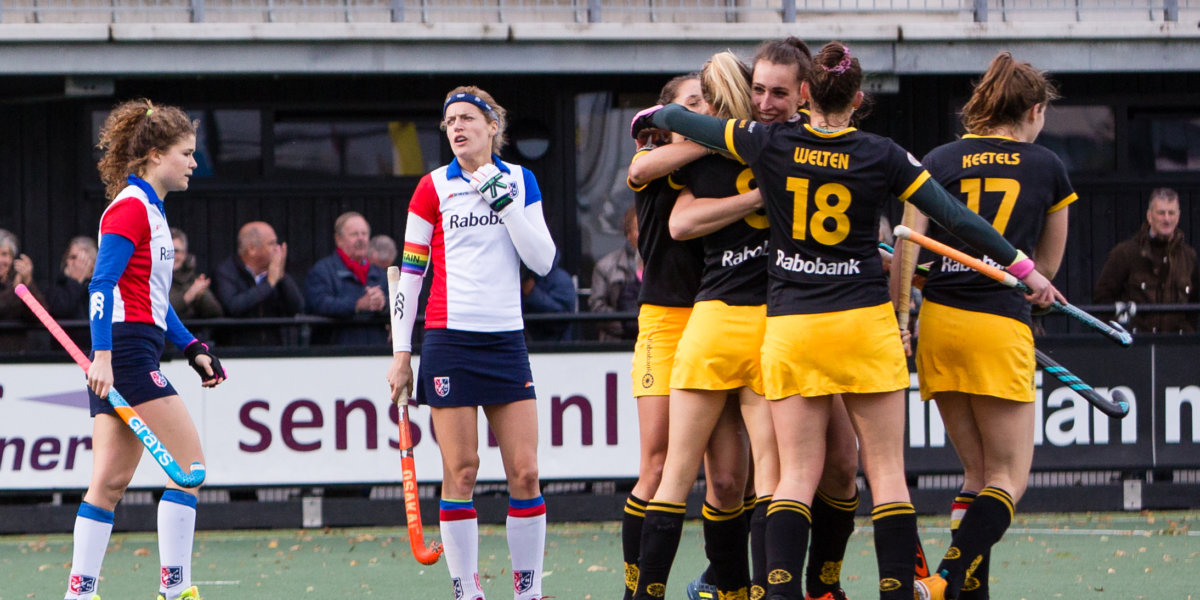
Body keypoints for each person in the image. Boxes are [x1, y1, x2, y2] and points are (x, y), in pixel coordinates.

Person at [633, 41, 1062, 600]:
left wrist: (663, 115)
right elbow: (955, 217)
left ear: (804, 94)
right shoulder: (885, 153)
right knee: (885, 473)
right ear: (858, 99)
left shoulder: (766, 140)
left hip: (792, 327)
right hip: (864, 325)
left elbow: (674, 120)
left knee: (792, 475)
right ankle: (895, 592)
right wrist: (1024, 269)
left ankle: (778, 593)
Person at [898, 53, 1076, 600]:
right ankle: (944, 581)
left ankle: (967, 595)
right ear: (1034, 110)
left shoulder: (939, 159)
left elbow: (909, 252)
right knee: (1008, 479)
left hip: (941, 325)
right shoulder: (1047, 166)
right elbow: (1045, 270)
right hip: (998, 326)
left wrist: (903, 312)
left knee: (976, 476)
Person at [386, 86, 557, 600]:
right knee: (461, 472)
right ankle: (467, 590)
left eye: (466, 118)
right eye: (449, 122)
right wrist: (402, 355)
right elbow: (410, 277)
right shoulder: (432, 187)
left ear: (491, 125)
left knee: (525, 472)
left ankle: (527, 591)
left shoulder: (520, 180)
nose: (457, 128)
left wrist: (505, 204)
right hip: (449, 342)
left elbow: (543, 260)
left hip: (505, 341)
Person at [69, 98, 226, 600]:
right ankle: (175, 590)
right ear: (156, 155)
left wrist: (192, 346)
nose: (194, 163)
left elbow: (154, 300)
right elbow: (101, 283)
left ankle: (79, 594)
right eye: (187, 153)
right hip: (125, 354)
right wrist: (103, 357)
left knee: (109, 484)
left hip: (132, 348)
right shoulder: (131, 208)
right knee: (190, 469)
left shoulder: (152, 210)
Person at [631, 52, 770, 600]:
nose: (701, 110)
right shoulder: (667, 155)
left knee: (731, 478)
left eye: (705, 102)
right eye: (689, 105)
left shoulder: (730, 150)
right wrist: (717, 139)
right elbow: (640, 174)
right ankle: (637, 588)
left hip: (722, 317)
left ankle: (724, 583)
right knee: (659, 463)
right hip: (669, 318)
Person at [1094, 187, 1199, 333]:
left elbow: (1195, 304)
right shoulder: (1125, 253)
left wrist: (1187, 332)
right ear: (1149, 216)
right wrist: (1121, 332)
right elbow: (1102, 298)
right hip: (1136, 343)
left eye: (1171, 213)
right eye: (1161, 213)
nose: (1167, 219)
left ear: (1178, 216)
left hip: (1177, 344)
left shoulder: (1189, 257)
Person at [213, 221, 304, 346]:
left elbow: (297, 307)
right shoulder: (226, 272)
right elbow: (233, 306)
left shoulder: (274, 273)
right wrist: (269, 284)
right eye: (271, 243)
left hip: (274, 349)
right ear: (252, 249)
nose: (277, 249)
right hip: (237, 351)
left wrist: (281, 275)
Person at [304, 211, 388, 345]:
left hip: (376, 352)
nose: (361, 238)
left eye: (364, 234)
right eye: (354, 234)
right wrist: (357, 305)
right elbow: (319, 304)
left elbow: (399, 306)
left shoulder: (380, 274)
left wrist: (383, 304)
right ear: (338, 239)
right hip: (337, 353)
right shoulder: (322, 271)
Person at [588, 206, 641, 341]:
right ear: (628, 234)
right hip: (617, 344)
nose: (646, 234)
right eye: (639, 228)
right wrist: (628, 326)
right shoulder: (605, 266)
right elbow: (597, 308)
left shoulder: (664, 264)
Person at [0, 228, 46, 352]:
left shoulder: (18, 281)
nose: (1, 260)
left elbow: (40, 315)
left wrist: (28, 282)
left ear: (12, 259)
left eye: (4, 254)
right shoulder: (15, 286)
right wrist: (15, 291)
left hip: (16, 357)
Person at [169, 228, 223, 320]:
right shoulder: (153, 279)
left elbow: (215, 312)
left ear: (184, 253)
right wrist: (189, 295)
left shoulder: (192, 279)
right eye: (169, 251)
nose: (172, 256)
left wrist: (200, 296)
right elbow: (161, 310)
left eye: (176, 251)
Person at [521, 254, 577, 342]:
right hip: (522, 343)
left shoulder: (560, 279)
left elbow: (561, 319)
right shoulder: (515, 277)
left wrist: (532, 293)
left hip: (554, 345)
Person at [47, 236, 98, 319]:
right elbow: (60, 310)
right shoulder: (58, 286)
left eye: (75, 258)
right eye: (70, 257)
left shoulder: (99, 288)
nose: (70, 262)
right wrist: (76, 281)